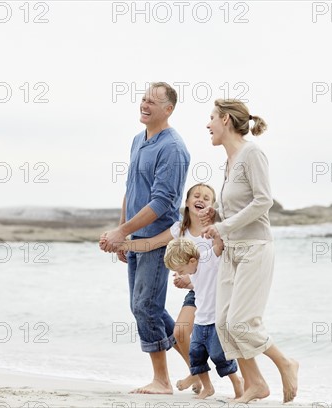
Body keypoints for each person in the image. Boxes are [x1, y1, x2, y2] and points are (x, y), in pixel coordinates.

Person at [199, 99, 299, 403]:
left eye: (212, 118)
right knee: (223, 324)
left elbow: (263, 201)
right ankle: (255, 384)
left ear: (226, 120)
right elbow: (239, 206)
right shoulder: (229, 161)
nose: (208, 125)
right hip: (231, 251)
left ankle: (285, 363)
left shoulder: (252, 153)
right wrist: (216, 214)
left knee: (242, 323)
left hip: (255, 248)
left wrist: (223, 227)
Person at [99, 82, 190, 395]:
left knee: (145, 307)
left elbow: (163, 202)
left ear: (169, 109)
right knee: (144, 307)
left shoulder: (174, 148)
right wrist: (122, 230)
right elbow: (131, 188)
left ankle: (162, 381)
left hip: (158, 240)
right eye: (143, 99)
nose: (145, 105)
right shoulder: (138, 140)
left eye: (153, 102)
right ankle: (198, 365)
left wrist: (123, 233)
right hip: (135, 237)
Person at [113, 183, 217, 395]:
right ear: (186, 202)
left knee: (222, 341)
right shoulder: (180, 230)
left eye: (207, 198)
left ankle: (239, 382)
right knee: (179, 331)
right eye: (196, 196)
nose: (201, 199)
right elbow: (151, 244)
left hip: (219, 294)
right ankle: (198, 374)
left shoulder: (215, 230)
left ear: (213, 206)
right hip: (196, 293)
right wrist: (123, 245)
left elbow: (220, 261)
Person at [165, 237, 243, 399]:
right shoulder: (192, 272)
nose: (180, 274)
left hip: (216, 321)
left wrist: (213, 229)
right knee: (195, 356)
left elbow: (219, 245)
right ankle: (207, 388)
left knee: (219, 356)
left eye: (180, 270)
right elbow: (198, 285)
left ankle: (238, 385)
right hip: (200, 322)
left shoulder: (208, 260)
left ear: (192, 260)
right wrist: (184, 282)